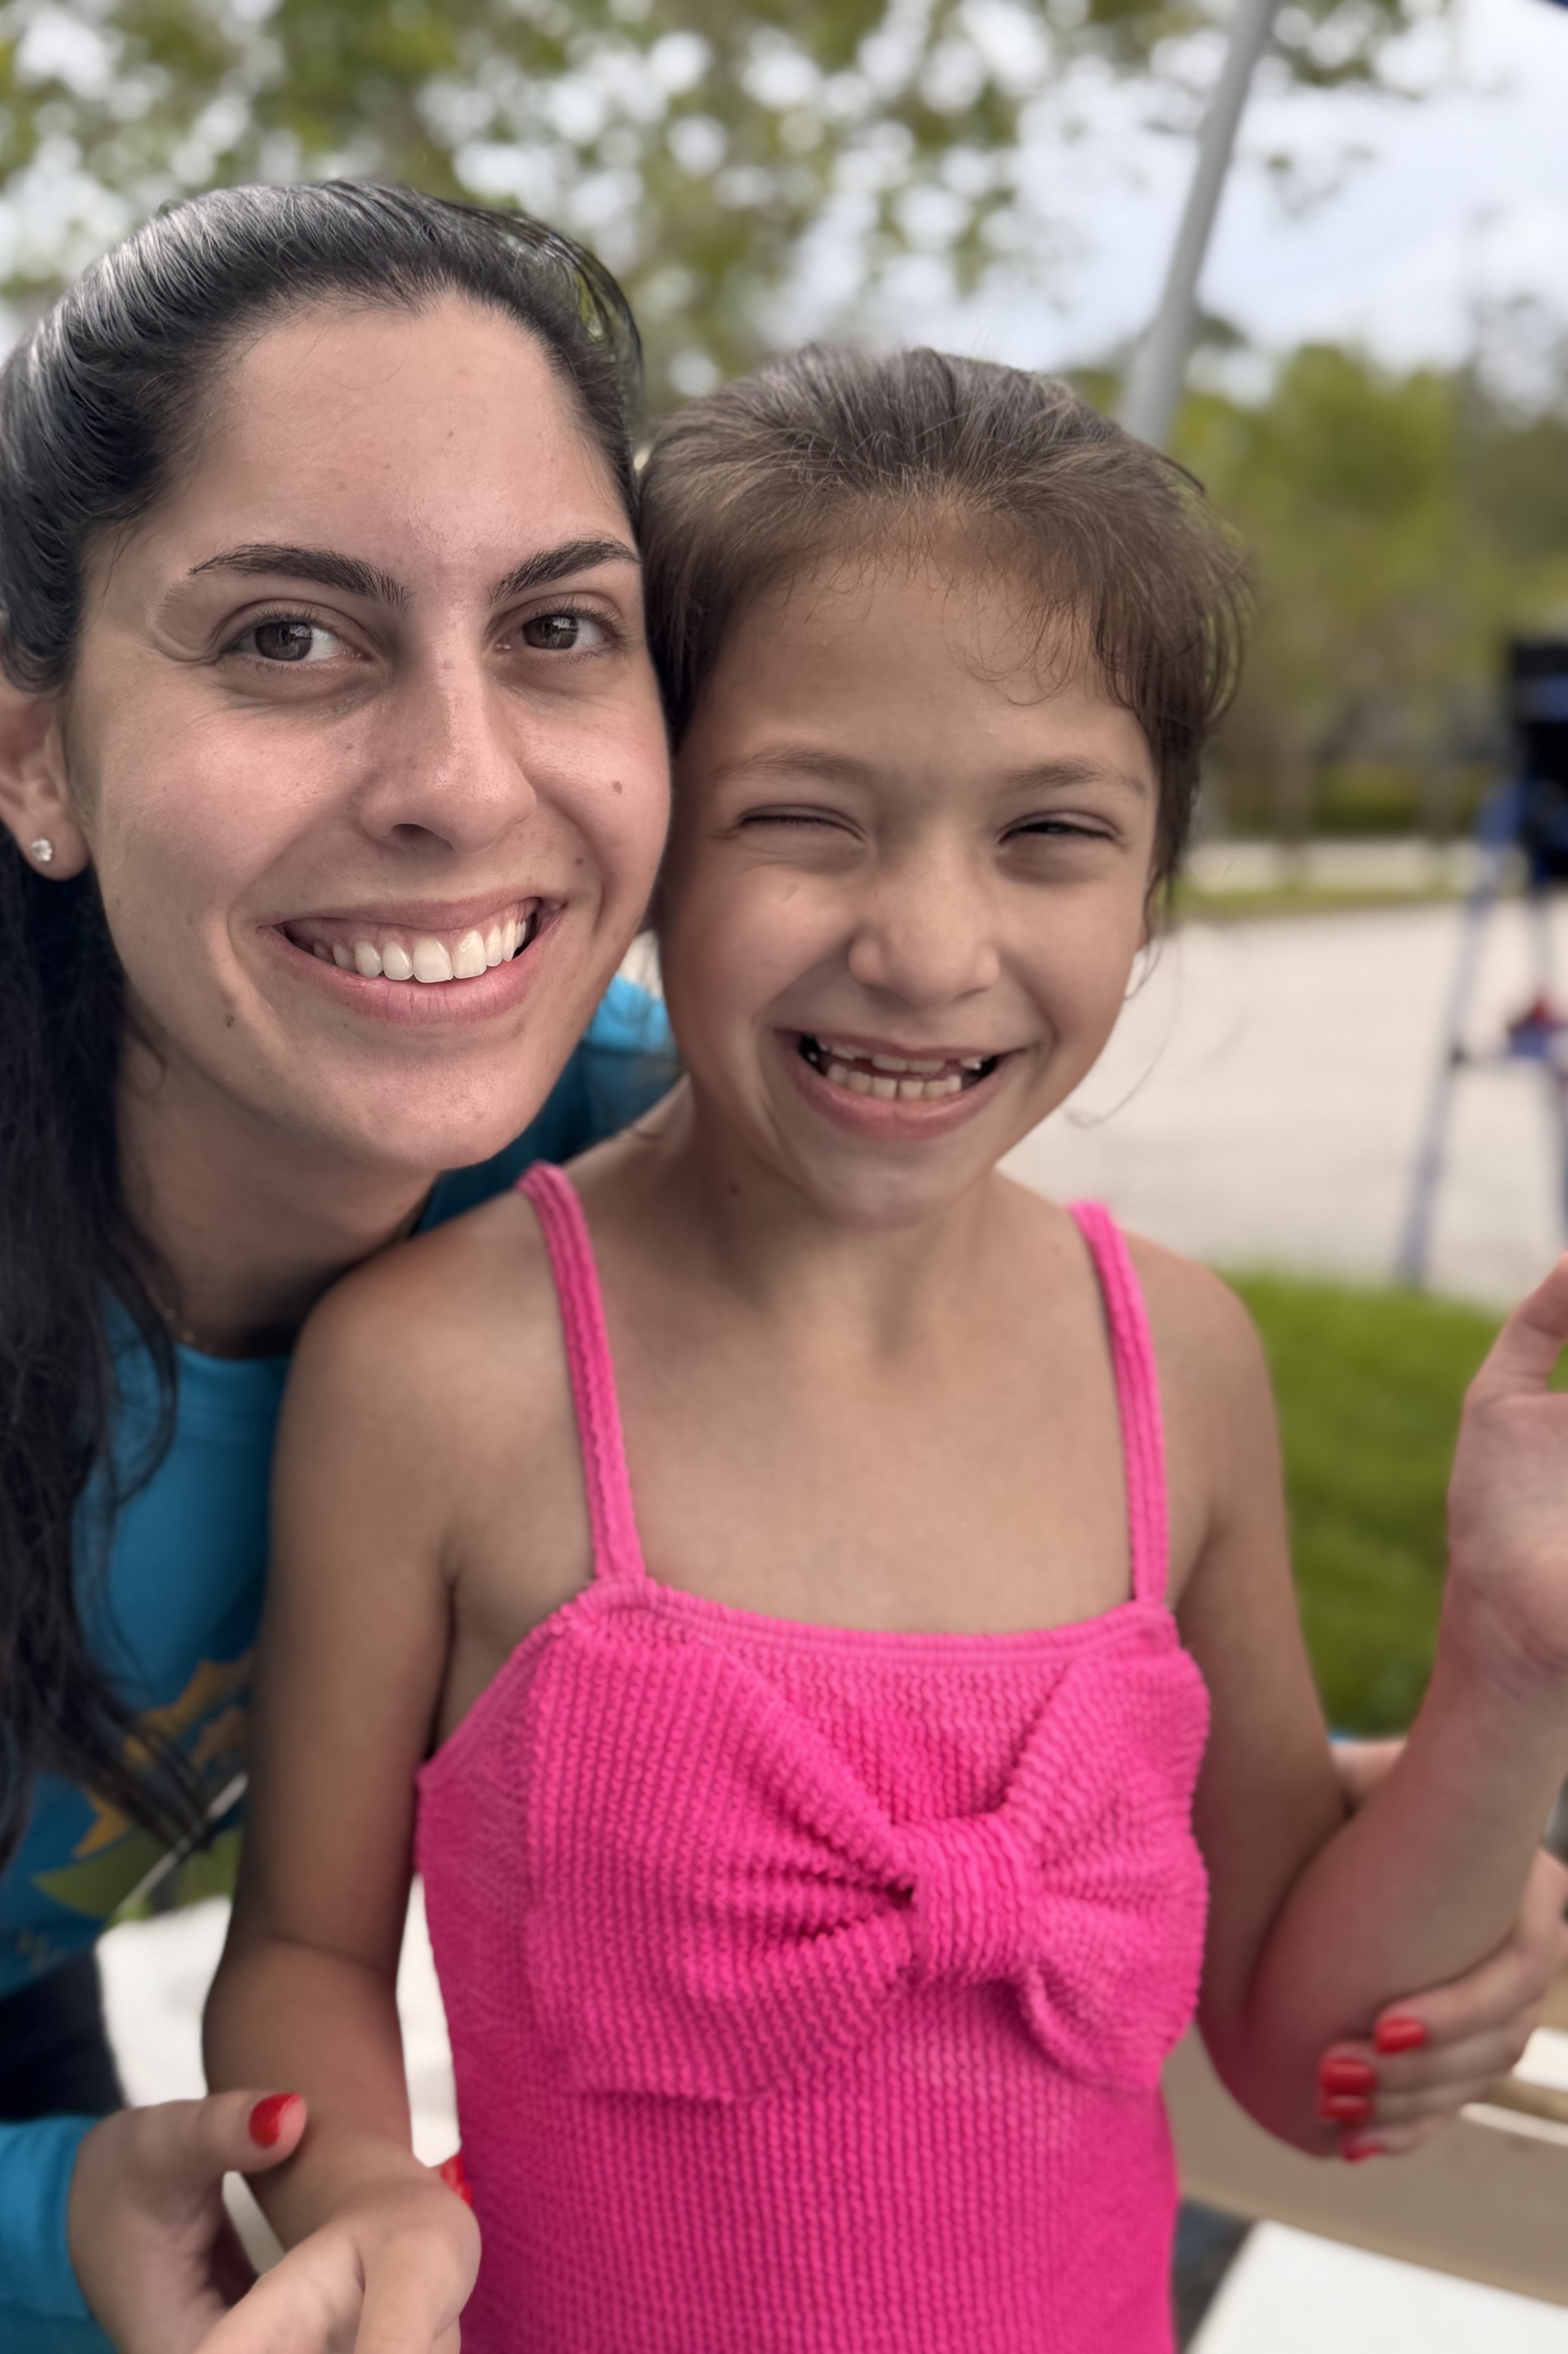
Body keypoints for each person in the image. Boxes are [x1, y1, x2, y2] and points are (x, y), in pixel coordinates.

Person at [204, 346, 1568, 2354]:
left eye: (1047, 837)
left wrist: (1514, 1665)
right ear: (644, 820)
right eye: (804, 820)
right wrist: (358, 2199)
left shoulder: (1173, 1366)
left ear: (1154, 874)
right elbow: (302, 1947)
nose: (928, 950)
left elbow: (1297, 2049)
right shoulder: (437, 1373)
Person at [0, 180, 675, 2354]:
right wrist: (17, 2232)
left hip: (0, 2033)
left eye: (559, 628)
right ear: (30, 741)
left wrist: (1320, 1816)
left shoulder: (628, 1171)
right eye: (289, 635)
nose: (461, 783)